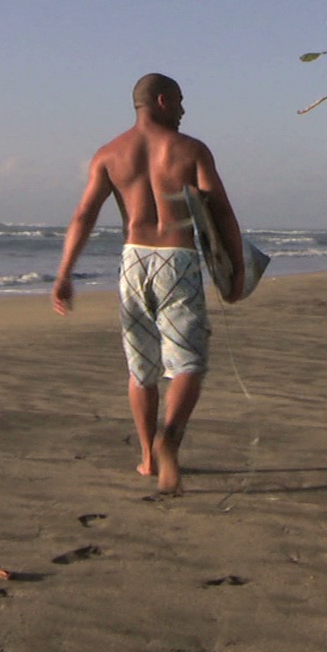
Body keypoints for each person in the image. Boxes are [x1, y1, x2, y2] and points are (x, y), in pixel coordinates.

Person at [52, 73, 243, 496]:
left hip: (133, 260)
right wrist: (237, 270)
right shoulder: (190, 150)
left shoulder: (108, 154)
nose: (182, 110)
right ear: (160, 101)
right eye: (178, 101)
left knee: (142, 369)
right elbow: (222, 213)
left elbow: (83, 215)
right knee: (188, 362)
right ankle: (169, 440)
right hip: (178, 258)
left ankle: (147, 457)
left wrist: (65, 272)